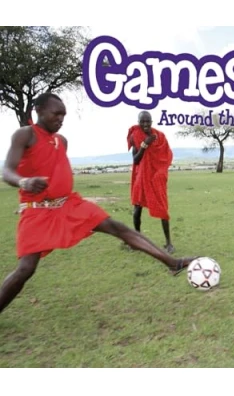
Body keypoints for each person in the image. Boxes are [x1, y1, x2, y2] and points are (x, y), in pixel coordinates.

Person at [0, 93, 196, 315]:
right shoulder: (25, 135)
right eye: (56, 114)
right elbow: (7, 171)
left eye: (63, 115)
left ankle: (172, 263)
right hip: (37, 211)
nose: (61, 119)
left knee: (117, 227)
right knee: (26, 269)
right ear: (39, 110)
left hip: (68, 205)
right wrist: (24, 182)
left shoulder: (61, 140)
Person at [126, 111, 175, 253]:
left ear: (152, 122)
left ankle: (169, 243)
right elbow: (136, 160)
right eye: (142, 121)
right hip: (141, 177)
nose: (145, 124)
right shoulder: (135, 136)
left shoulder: (160, 137)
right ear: (138, 122)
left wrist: (160, 173)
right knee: (137, 209)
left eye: (148, 121)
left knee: (162, 208)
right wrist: (144, 145)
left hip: (156, 178)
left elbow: (166, 156)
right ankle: (137, 241)